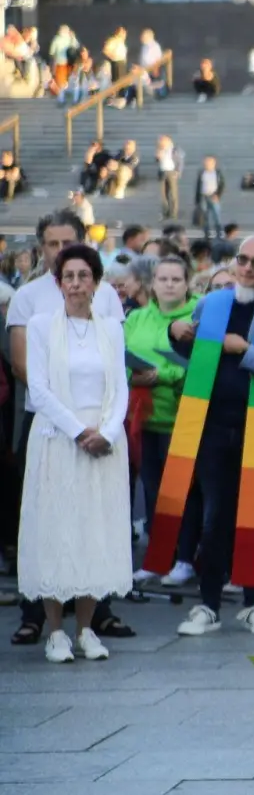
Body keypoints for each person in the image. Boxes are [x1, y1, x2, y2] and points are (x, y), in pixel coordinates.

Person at [160, 236, 254, 637]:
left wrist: (246, 350)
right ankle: (208, 604)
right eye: (243, 259)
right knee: (215, 515)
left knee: (253, 515)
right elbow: (196, 353)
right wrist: (177, 332)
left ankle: (253, 603)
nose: (248, 267)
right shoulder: (213, 303)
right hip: (209, 424)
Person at [8, 211, 130, 647]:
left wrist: (108, 433)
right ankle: (54, 630)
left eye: (84, 275)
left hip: (104, 440)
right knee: (57, 529)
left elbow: (120, 386)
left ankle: (86, 628)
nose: (76, 282)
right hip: (59, 438)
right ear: (57, 280)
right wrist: (81, 432)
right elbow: (36, 388)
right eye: (68, 276)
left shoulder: (111, 328)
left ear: (96, 281)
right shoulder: (41, 323)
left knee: (95, 530)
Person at [125, 256, 197, 586]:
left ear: (187, 283)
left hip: (183, 416)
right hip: (144, 417)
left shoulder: (198, 315)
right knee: (152, 490)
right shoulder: (137, 317)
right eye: (162, 279)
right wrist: (134, 375)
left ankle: (185, 558)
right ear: (152, 283)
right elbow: (117, 354)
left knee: (182, 492)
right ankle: (156, 558)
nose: (169, 284)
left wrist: (161, 375)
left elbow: (197, 362)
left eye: (176, 279)